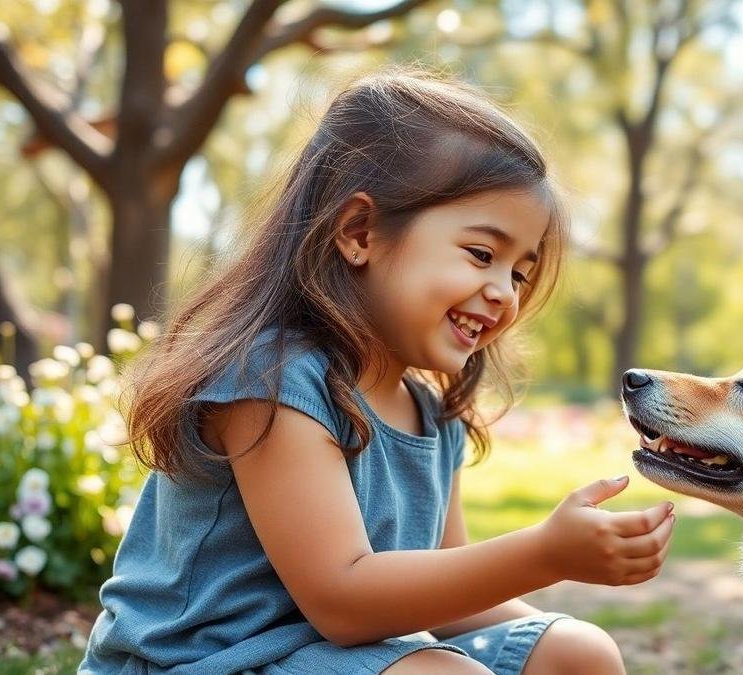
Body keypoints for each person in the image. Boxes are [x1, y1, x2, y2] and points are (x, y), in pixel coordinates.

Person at [79, 69, 676, 675]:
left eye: (519, 273)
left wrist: (558, 618)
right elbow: (343, 598)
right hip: (202, 662)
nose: (503, 292)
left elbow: (446, 596)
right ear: (360, 232)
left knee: (578, 652)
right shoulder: (275, 382)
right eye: (482, 254)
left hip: (330, 656)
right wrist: (544, 554)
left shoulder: (432, 414)